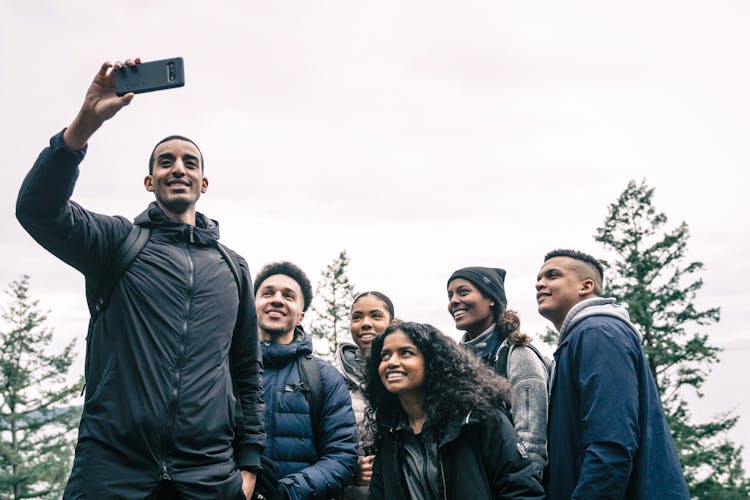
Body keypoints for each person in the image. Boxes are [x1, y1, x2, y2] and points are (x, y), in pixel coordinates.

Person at [15, 59, 264, 499]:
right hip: (112, 468)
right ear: (150, 181)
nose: (178, 169)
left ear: (204, 183)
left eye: (189, 162)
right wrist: (84, 126)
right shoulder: (117, 243)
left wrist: (248, 466)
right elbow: (38, 209)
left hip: (207, 472)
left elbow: (246, 369)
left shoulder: (233, 267)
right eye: (165, 162)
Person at [536, 249, 690, 499]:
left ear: (586, 286)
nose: (540, 284)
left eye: (552, 275)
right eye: (539, 279)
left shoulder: (598, 333)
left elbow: (612, 441)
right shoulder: (580, 339)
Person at [364, 322, 545, 499]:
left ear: (432, 362)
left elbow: (522, 490)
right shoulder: (389, 431)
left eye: (406, 353)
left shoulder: (476, 418)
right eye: (385, 355)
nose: (391, 362)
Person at [253, 261, 358, 500]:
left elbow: (342, 456)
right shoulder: (223, 369)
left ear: (300, 316)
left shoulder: (324, 376)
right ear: (253, 306)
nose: (277, 299)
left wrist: (287, 492)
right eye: (267, 293)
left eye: (289, 296)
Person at [446, 266, 548, 476]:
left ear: (491, 299)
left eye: (463, 292)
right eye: (450, 295)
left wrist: (524, 491)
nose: (453, 301)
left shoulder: (518, 355)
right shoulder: (455, 362)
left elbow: (531, 440)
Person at [333, 291, 396, 500]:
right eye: (357, 317)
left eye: (376, 316)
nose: (365, 323)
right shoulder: (331, 378)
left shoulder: (408, 375)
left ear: (392, 322)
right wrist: (351, 471)